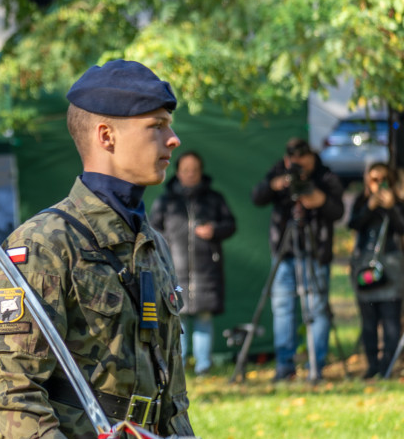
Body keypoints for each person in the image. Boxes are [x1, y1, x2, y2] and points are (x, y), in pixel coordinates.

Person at [0, 60, 210, 439]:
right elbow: (0, 381)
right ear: (106, 135)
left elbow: (167, 389)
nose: (173, 140)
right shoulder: (45, 244)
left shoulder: (151, 246)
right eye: (156, 126)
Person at [251, 138, 344, 381]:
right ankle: (285, 366)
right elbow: (257, 197)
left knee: (317, 310)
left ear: (312, 157)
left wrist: (319, 199)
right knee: (282, 308)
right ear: (287, 159)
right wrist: (275, 184)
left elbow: (339, 212)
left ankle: (316, 367)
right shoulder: (280, 172)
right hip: (285, 252)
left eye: (303, 158)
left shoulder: (326, 176)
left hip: (316, 252)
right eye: (294, 159)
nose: (299, 164)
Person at [149, 151, 237, 375]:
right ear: (178, 172)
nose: (190, 174)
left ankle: (203, 366)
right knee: (178, 317)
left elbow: (231, 224)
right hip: (174, 272)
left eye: (194, 170)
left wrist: (214, 230)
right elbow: (152, 232)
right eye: (186, 169)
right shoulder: (165, 202)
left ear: (201, 171)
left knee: (203, 317)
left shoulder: (214, 198)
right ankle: (178, 367)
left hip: (206, 270)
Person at [348, 162, 404, 379]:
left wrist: (392, 207)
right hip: (365, 264)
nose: (379, 185)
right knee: (368, 319)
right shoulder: (362, 202)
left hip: (390, 264)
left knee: (391, 317)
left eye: (383, 180)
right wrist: (369, 207)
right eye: (374, 180)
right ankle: (372, 364)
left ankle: (387, 366)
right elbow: (353, 224)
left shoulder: (397, 203)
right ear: (367, 181)